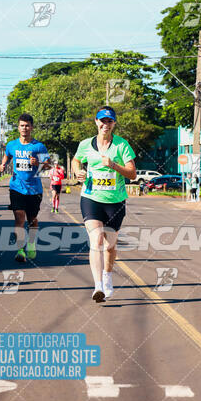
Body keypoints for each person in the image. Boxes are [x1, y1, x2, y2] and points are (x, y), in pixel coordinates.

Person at [72, 106, 136, 302]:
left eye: (109, 121)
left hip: (114, 202)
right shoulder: (85, 144)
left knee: (110, 246)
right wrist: (77, 171)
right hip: (91, 198)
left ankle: (108, 276)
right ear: (96, 122)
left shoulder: (122, 145)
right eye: (102, 121)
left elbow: (132, 174)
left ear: (114, 124)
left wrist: (114, 165)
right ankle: (98, 286)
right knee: (96, 240)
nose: (105, 124)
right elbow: (76, 160)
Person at [0, 113, 51, 262]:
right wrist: (3, 164)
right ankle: (20, 250)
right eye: (22, 125)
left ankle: (31, 242)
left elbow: (48, 164)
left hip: (34, 189)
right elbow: (7, 156)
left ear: (32, 127)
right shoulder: (12, 145)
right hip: (17, 187)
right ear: (18, 127)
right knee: (19, 217)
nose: (24, 128)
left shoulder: (38, 146)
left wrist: (38, 163)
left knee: (32, 219)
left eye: (27, 125)